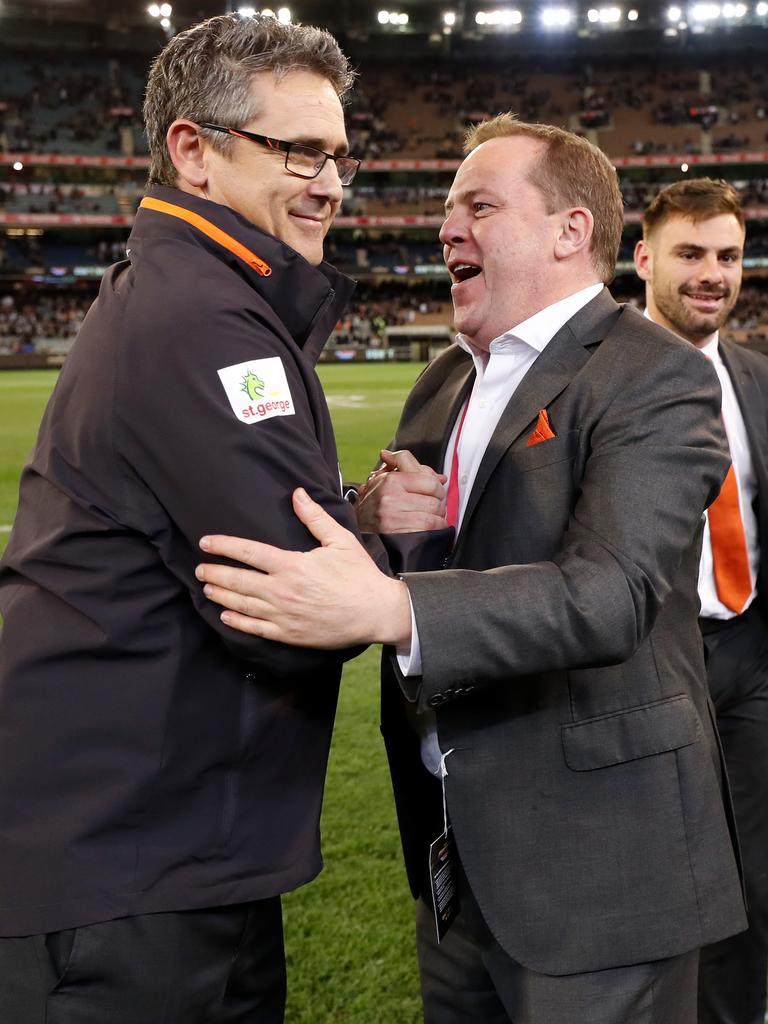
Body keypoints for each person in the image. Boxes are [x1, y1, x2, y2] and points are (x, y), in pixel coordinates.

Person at [196, 115, 747, 1024]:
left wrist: (392, 604)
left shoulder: (656, 375)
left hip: (599, 867)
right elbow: (412, 550)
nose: (448, 228)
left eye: (480, 206)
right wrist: (371, 522)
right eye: (449, 210)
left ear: (571, 231)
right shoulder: (447, 379)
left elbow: (608, 596)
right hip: (456, 851)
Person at [0, 13, 375, 1023]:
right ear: (193, 152)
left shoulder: (200, 293)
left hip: (149, 846)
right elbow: (294, 609)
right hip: (129, 869)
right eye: (299, 150)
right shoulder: (202, 313)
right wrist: (390, 555)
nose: (330, 181)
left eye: (339, 155)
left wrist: (358, 516)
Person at [634, 178, 768, 1024]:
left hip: (750, 650)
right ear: (644, 257)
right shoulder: (594, 378)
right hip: (648, 656)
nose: (712, 273)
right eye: (690, 253)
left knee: (757, 867)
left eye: (727, 255)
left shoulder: (757, 376)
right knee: (656, 869)